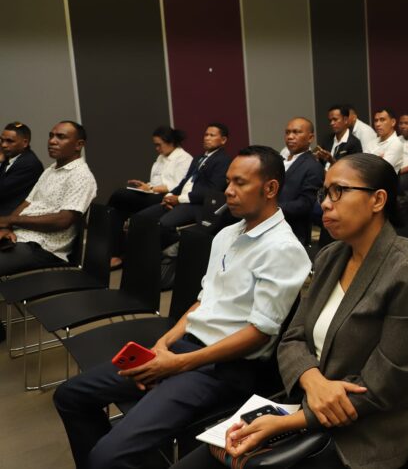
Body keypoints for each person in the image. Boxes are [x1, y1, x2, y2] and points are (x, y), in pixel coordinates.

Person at [170, 153, 408, 469]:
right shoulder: (330, 256)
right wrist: (313, 380)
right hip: (305, 405)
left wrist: (288, 422)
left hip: (363, 434)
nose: (325, 204)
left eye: (338, 191)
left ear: (377, 200)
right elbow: (292, 339)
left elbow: (382, 386)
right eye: (324, 193)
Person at [53, 146, 311, 469]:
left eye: (240, 183)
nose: (227, 191)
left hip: (224, 369)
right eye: (228, 181)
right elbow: (203, 301)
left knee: (106, 457)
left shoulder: (283, 249)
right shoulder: (228, 234)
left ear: (270, 188)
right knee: (70, 396)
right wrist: (165, 343)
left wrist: (178, 364)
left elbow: (258, 335)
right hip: (185, 350)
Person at [0, 120, 97, 277]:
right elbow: (27, 203)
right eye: (51, 136)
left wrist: (10, 221)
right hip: (20, 238)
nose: (52, 141)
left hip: (43, 249)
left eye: (61, 137)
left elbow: (63, 221)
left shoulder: (81, 176)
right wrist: (6, 227)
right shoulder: (49, 171)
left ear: (78, 145)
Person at [133, 123, 231, 249]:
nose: (207, 138)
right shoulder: (199, 158)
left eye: (212, 135)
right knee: (140, 219)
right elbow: (185, 181)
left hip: (196, 204)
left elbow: (212, 191)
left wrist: (178, 199)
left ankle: (176, 248)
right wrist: (169, 195)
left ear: (223, 140)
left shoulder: (223, 160)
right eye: (206, 134)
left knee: (163, 225)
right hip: (180, 200)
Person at [106, 126, 192, 266]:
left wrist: (150, 188)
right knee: (117, 210)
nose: (157, 148)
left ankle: (117, 251)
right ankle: (115, 253)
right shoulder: (161, 158)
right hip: (152, 194)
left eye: (159, 145)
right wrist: (144, 186)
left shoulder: (184, 159)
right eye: (155, 145)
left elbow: (175, 186)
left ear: (171, 142)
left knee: (119, 195)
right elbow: (156, 182)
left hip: (167, 197)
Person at [279, 117, 324, 247]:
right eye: (287, 132)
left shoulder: (313, 166)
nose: (290, 137)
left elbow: (305, 204)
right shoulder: (279, 160)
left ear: (310, 138)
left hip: (292, 234)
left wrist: (271, 210)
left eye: (296, 132)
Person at [0, 122, 43, 216]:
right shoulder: (8, 157)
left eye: (9, 141)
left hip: (10, 216)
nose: (3, 145)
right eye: (2, 140)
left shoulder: (29, 164)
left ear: (25, 143)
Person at [314, 106, 362, 170]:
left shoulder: (354, 143)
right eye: (330, 120)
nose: (332, 123)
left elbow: (354, 170)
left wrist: (332, 161)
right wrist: (316, 158)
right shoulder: (327, 139)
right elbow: (321, 163)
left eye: (335, 119)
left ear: (345, 120)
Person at [370, 108, 403, 172]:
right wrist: (378, 159)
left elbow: (381, 169)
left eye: (382, 120)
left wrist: (371, 161)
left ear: (393, 122)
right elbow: (362, 165)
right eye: (376, 120)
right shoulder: (371, 143)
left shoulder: (396, 144)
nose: (377, 124)